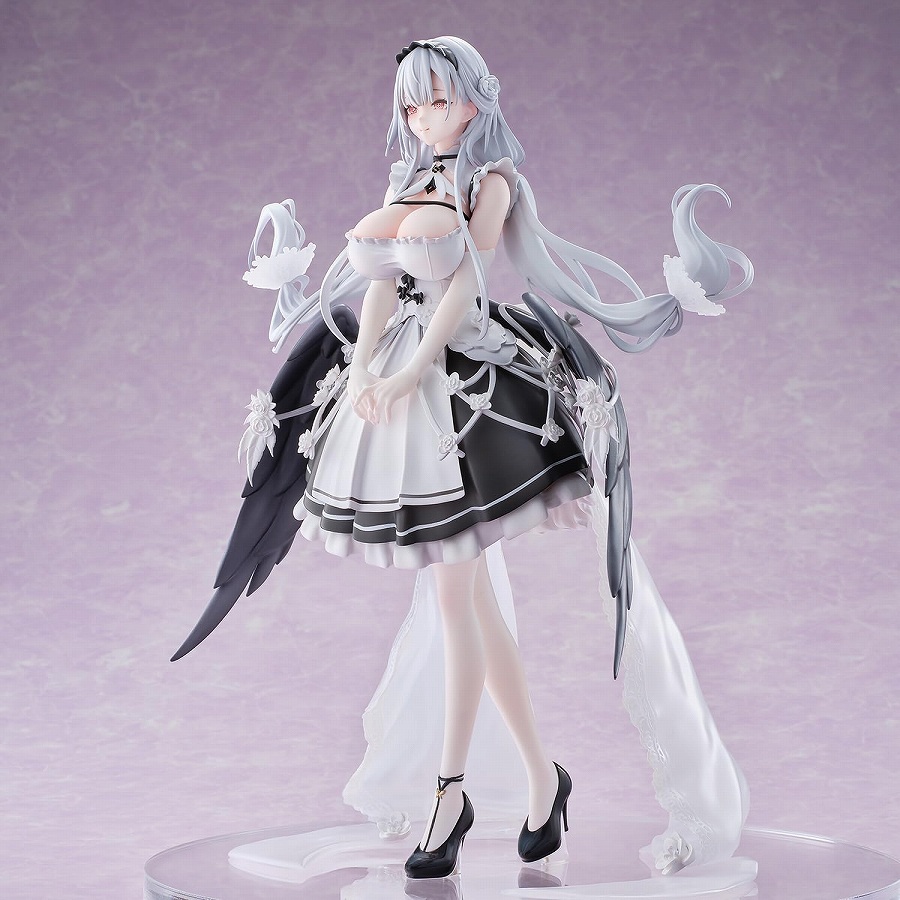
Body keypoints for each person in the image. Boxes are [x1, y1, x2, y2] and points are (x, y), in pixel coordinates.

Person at [173, 36, 753, 885]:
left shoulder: (492, 183)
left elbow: (463, 285)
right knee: (471, 607)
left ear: (475, 101)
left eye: (437, 100)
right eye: (410, 104)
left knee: (457, 601)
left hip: (465, 393)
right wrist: (365, 368)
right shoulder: (404, 184)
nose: (422, 116)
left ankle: (452, 792)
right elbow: (381, 282)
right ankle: (543, 780)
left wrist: (410, 369)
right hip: (400, 391)